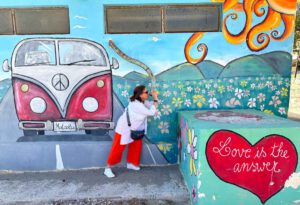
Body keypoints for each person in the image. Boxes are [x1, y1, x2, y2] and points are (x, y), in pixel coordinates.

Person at [104, 85, 159, 178]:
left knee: (136, 145)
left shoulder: (141, 102)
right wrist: (155, 98)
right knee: (118, 148)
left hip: (135, 129)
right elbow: (151, 112)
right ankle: (107, 168)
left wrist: (154, 97)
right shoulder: (136, 104)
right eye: (146, 92)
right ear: (140, 94)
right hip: (124, 128)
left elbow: (151, 105)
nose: (147, 94)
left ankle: (132, 164)